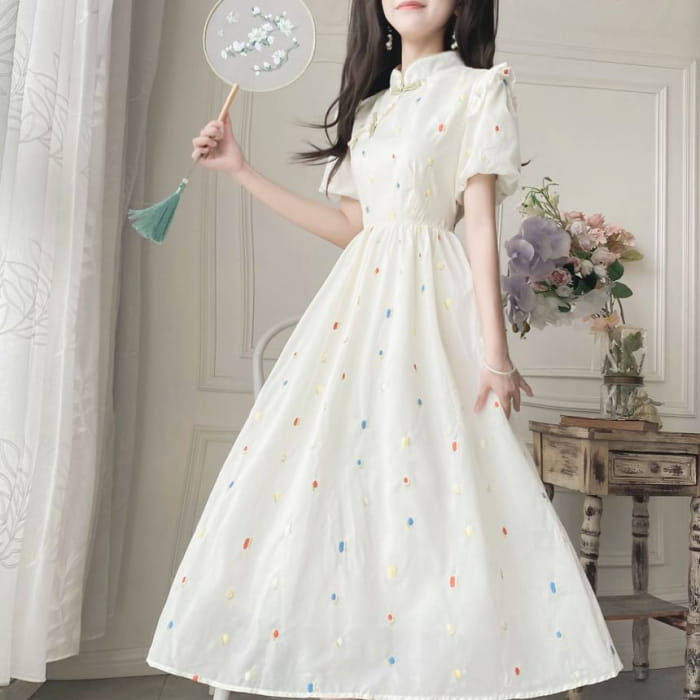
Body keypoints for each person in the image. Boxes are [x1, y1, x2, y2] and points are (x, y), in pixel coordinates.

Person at [146, 1, 624, 698]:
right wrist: (241, 170)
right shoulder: (369, 111)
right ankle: (350, 661)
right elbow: (354, 230)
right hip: (359, 310)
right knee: (339, 481)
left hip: (434, 308)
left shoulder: (479, 89)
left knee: (433, 481)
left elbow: (480, 226)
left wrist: (496, 354)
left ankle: (442, 667)